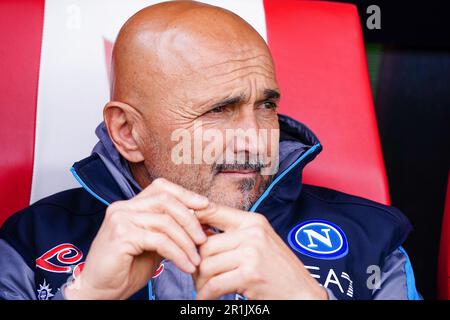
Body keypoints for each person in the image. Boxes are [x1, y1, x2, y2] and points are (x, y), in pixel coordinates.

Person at [0, 1, 421, 300]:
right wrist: (87, 296)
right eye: (220, 109)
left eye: (266, 105)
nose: (254, 139)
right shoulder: (28, 244)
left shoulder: (370, 240)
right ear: (127, 131)